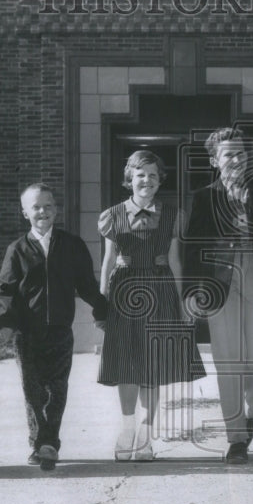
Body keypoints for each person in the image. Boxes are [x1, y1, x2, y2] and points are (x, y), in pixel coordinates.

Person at [184, 128, 253, 464]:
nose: (237, 159)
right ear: (215, 161)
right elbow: (193, 248)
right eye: (229, 154)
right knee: (228, 361)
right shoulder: (202, 197)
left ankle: (251, 402)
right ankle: (236, 439)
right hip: (219, 284)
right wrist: (192, 291)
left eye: (241, 153)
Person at [97, 150, 206, 461]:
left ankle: (146, 433)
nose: (146, 180)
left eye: (153, 175)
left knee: (153, 364)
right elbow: (106, 262)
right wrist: (101, 302)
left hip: (160, 292)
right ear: (130, 178)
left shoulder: (172, 215)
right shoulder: (112, 215)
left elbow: (175, 261)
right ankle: (128, 427)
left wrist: (184, 303)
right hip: (122, 293)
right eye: (140, 174)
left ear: (160, 181)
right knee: (126, 362)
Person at [0, 184, 110, 472]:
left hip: (60, 329)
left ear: (56, 209)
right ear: (25, 213)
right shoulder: (17, 250)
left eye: (48, 205)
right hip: (27, 333)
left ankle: (48, 444)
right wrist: (5, 324)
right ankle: (39, 441)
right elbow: (6, 290)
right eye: (35, 207)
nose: (42, 211)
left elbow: (85, 283)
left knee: (57, 389)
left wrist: (102, 308)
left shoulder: (71, 245)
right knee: (33, 390)